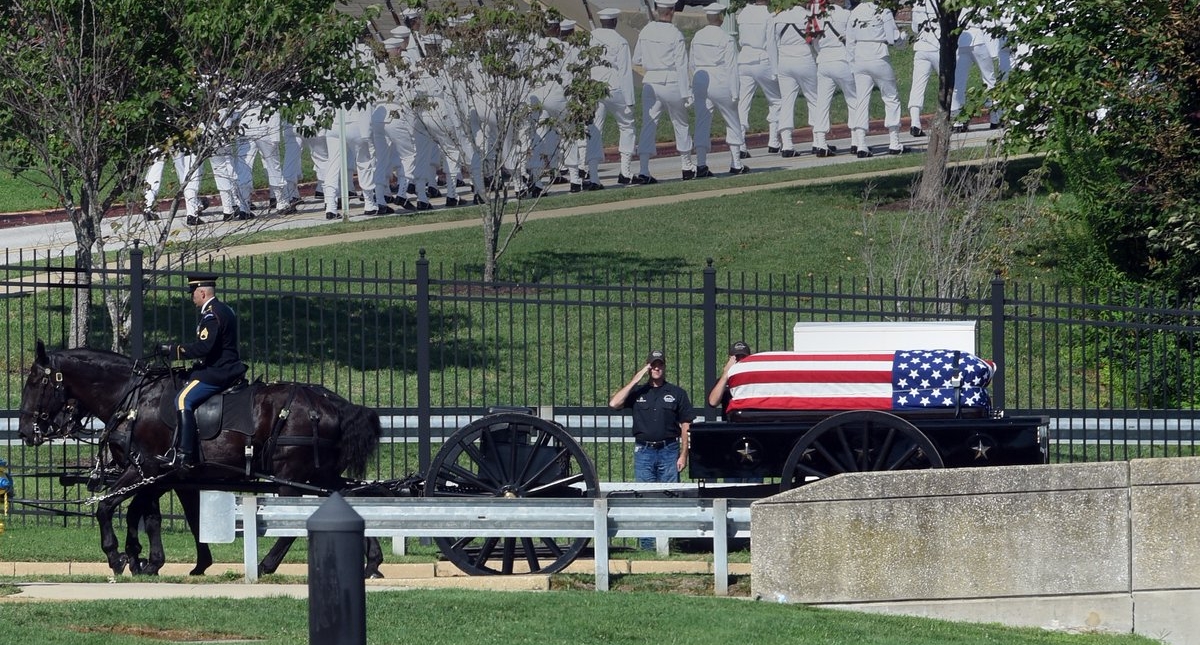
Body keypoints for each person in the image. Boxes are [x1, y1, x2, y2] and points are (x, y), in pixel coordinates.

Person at [157, 275, 247, 471]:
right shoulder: (224, 309)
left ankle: (184, 454)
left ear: (202, 292)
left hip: (218, 371)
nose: (192, 298)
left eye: (193, 294)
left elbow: (204, 348)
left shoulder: (211, 315)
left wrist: (172, 350)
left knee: (182, 400)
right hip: (222, 366)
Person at [608, 349, 694, 549]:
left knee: (670, 497)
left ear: (664, 367)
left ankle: (669, 545)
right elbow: (614, 403)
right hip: (644, 452)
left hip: (669, 450)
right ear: (648, 367)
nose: (657, 368)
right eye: (653, 365)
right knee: (644, 498)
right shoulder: (638, 393)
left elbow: (686, 426)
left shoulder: (677, 394)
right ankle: (647, 547)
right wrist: (636, 378)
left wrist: (683, 454)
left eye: (660, 364)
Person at [632, 0, 695, 184]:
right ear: (673, 11)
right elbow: (682, 67)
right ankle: (686, 166)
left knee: (648, 125)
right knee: (680, 124)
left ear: (656, 10)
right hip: (672, 81)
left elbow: (637, 59)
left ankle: (643, 170)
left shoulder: (646, 31)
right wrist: (687, 92)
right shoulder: (676, 34)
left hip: (651, 81)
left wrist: (652, 61)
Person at [690, 3, 749, 176]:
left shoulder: (697, 36)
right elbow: (731, 67)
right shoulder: (726, 38)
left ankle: (701, 164)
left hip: (701, 78)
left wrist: (694, 84)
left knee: (702, 122)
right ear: (721, 17)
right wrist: (735, 92)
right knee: (732, 121)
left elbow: (691, 62)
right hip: (720, 79)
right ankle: (736, 163)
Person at [845, 0, 904, 157]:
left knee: (862, 100)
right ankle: (894, 142)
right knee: (891, 97)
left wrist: (852, 64)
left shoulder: (854, 12)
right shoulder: (883, 11)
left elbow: (849, 42)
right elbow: (892, 38)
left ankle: (861, 144)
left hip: (860, 57)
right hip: (878, 55)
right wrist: (902, 37)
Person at [588, 8, 637, 185]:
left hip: (594, 85)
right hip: (614, 84)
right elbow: (625, 72)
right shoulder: (620, 41)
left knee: (594, 130)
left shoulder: (591, 37)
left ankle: (593, 176)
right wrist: (629, 100)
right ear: (614, 22)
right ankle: (625, 171)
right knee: (626, 125)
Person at [771, 1, 819, 157]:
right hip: (804, 58)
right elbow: (815, 42)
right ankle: (818, 141)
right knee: (814, 99)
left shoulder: (779, 17)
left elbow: (774, 43)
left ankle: (787, 144)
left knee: (786, 101)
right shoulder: (808, 16)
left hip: (784, 60)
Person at [736, 0, 782, 156]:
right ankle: (774, 141)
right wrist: (775, 69)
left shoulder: (742, 14)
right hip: (762, 59)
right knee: (776, 100)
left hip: (744, 58)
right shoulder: (767, 16)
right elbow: (771, 43)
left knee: (743, 102)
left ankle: (740, 143)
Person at [906, 0, 939, 137]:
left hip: (921, 46)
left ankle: (915, 122)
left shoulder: (918, 4)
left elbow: (915, 28)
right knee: (949, 82)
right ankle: (955, 118)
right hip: (937, 44)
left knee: (917, 86)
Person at [707, 341, 751, 417]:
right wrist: (725, 374)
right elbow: (713, 402)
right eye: (736, 357)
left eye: (743, 357)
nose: (740, 360)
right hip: (729, 425)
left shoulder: (753, 378)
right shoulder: (723, 381)